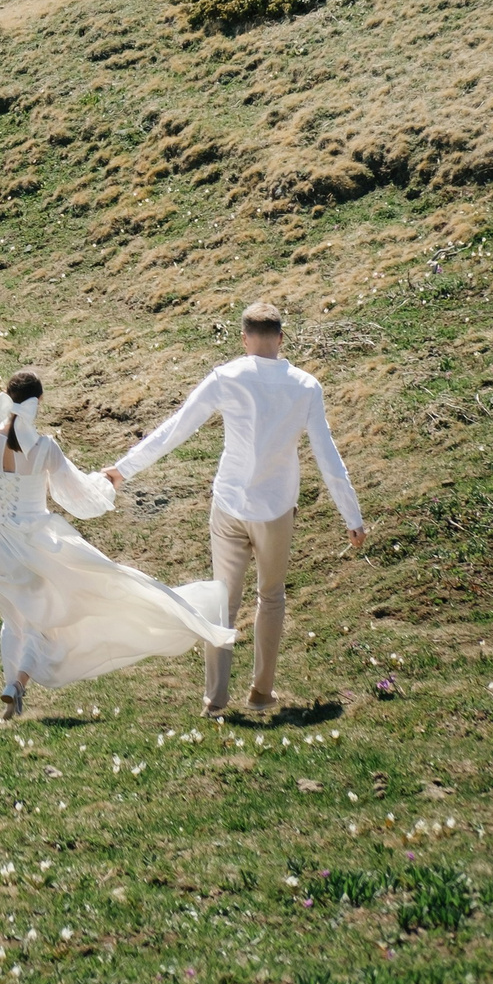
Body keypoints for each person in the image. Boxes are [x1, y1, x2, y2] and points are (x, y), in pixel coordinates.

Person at [104, 301, 368, 717]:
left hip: (229, 502)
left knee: (222, 600)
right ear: (281, 339)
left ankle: (215, 698)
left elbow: (176, 429)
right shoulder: (306, 386)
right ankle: (262, 693)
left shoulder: (225, 377)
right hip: (277, 506)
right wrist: (352, 517)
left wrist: (123, 469)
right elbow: (327, 456)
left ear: (244, 339)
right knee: (272, 597)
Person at [0, 369, 234, 722]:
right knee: (44, 624)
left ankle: (12, 686)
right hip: (37, 542)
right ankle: (17, 685)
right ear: (38, 402)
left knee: (13, 621)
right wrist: (106, 484)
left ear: (6, 397)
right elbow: (76, 493)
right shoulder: (44, 447)